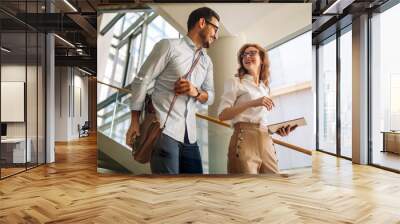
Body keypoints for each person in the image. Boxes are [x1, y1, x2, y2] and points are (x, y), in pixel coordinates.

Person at [125, 7, 220, 174]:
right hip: (164, 131)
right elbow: (142, 79)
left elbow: (210, 96)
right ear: (202, 22)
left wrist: (195, 92)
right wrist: (134, 120)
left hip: (190, 136)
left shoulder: (207, 62)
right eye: (215, 28)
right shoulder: (169, 46)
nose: (216, 35)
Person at [218, 43, 296, 174]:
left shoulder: (264, 88)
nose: (247, 56)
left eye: (252, 53)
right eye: (244, 55)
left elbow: (260, 121)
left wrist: (277, 130)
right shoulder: (235, 82)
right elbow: (222, 115)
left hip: (266, 141)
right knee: (247, 188)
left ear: (262, 59)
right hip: (244, 140)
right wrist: (253, 102)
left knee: (273, 186)